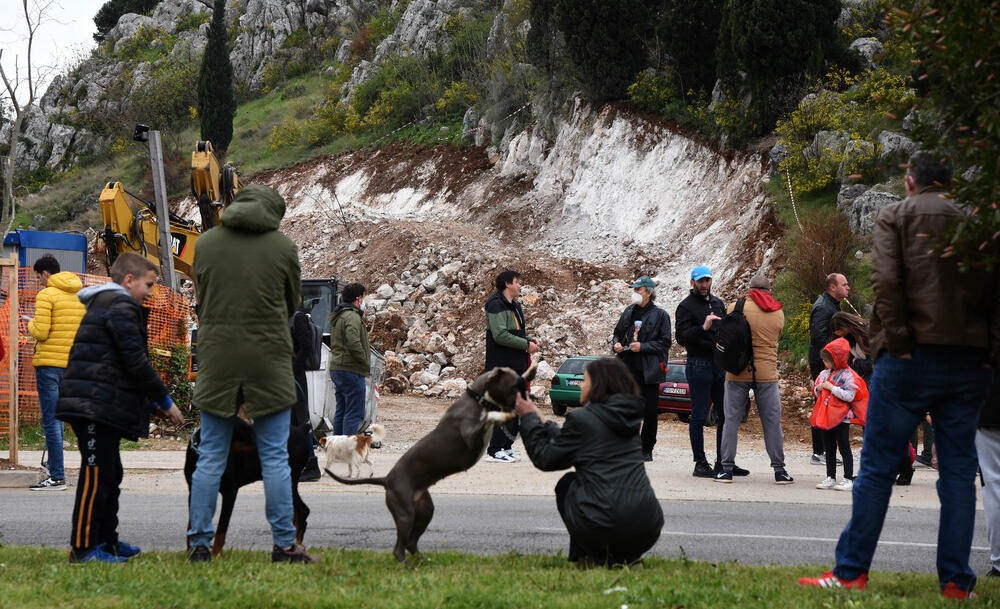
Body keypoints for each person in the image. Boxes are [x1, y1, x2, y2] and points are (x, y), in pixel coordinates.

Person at [799, 153, 995, 599]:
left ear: (910, 182)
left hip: (908, 362)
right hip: (967, 360)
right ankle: (956, 583)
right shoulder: (973, 223)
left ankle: (851, 573)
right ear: (949, 184)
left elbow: (887, 285)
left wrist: (900, 346)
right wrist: (988, 355)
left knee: (877, 467)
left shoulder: (896, 217)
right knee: (959, 474)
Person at [187, 184, 316, 564]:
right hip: (267, 357)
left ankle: (198, 544)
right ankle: (284, 545)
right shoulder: (283, 247)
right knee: (275, 456)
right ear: (273, 212)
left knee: (211, 455)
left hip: (219, 356)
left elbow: (203, 296)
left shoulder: (206, 243)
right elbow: (293, 301)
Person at [55, 253, 184, 562]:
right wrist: (165, 400)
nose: (151, 293)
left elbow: (122, 364)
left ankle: (107, 542)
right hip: (92, 405)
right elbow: (135, 361)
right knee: (96, 475)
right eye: (148, 285)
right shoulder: (121, 305)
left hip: (99, 403)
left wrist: (151, 402)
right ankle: (84, 549)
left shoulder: (114, 305)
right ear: (129, 280)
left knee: (110, 474)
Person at [515, 357, 663, 566]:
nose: (581, 385)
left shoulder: (583, 419)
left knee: (568, 483)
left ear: (598, 385)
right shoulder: (628, 418)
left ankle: (588, 557)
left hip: (607, 525)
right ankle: (627, 557)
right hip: (648, 527)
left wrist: (527, 418)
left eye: (585, 380)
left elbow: (545, 458)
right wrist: (540, 417)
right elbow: (576, 438)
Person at [713, 275, 793, 484]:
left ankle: (726, 469)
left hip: (736, 372)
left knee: (731, 420)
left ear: (750, 289)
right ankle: (779, 471)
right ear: (769, 291)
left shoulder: (735, 307)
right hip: (766, 374)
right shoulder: (778, 312)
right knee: (772, 423)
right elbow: (776, 337)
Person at [25, 254, 86, 490]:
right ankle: (54, 466)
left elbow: (40, 332)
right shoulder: (80, 294)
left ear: (46, 274)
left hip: (50, 364)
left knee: (52, 420)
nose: (39, 281)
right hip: (73, 365)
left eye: (38, 277)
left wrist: (29, 323)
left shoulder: (46, 295)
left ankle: (57, 476)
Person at [675, 265, 742, 478]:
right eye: (700, 281)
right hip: (698, 364)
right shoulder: (685, 307)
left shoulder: (718, 303)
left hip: (718, 364)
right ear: (692, 282)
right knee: (699, 414)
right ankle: (700, 462)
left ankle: (723, 461)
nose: (704, 285)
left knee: (725, 415)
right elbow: (681, 338)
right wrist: (702, 328)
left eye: (707, 280)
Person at [612, 275, 671, 461]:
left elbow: (665, 342)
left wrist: (643, 347)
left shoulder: (661, 315)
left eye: (638, 289)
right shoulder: (629, 311)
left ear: (649, 292)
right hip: (628, 368)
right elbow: (617, 333)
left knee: (650, 412)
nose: (635, 293)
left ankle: (646, 449)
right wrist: (617, 344)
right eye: (634, 289)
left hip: (650, 371)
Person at [483, 270, 539, 463]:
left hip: (517, 365)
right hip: (501, 366)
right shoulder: (495, 304)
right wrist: (526, 345)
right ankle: (494, 450)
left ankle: (506, 446)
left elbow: (515, 332)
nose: (520, 286)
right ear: (507, 284)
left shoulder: (515, 305)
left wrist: (528, 338)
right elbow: (500, 335)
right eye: (517, 282)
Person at [811, 338, 866, 492]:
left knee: (844, 447)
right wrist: (819, 389)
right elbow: (815, 389)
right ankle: (831, 477)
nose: (824, 364)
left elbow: (850, 396)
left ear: (836, 360)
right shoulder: (823, 373)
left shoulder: (849, 375)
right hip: (826, 416)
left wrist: (832, 388)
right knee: (829, 447)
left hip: (842, 417)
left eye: (827, 361)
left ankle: (848, 478)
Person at [808, 272, 850, 466]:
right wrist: (834, 358)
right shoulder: (823, 307)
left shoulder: (833, 305)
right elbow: (818, 339)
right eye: (844, 284)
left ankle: (825, 450)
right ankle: (819, 452)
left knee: (828, 402)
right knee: (822, 403)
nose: (848, 287)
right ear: (833, 287)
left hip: (831, 363)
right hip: (823, 364)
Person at [329, 283, 371, 436]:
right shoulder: (352, 316)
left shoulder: (340, 314)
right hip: (351, 369)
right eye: (363, 297)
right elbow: (353, 341)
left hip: (338, 368)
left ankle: (338, 449)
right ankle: (349, 450)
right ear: (358, 298)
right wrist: (364, 360)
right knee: (354, 412)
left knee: (342, 410)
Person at [290, 306, 321, 481]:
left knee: (300, 421)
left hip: (294, 377)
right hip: (281, 376)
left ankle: (311, 463)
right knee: (287, 421)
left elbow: (306, 347)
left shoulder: (297, 318)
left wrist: (293, 370)